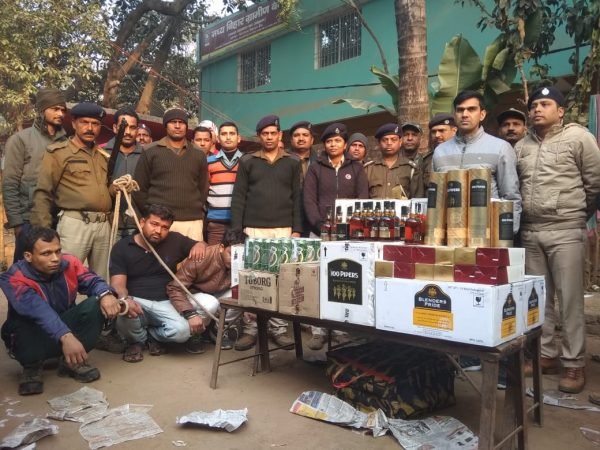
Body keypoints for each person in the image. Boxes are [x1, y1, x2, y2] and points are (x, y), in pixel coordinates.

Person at [517, 86, 600, 393]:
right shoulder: (521, 145)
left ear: (561, 111)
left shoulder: (579, 138)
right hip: (530, 230)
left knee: (570, 300)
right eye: (534, 105)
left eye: (545, 104)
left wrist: (575, 214)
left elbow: (594, 182)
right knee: (538, 299)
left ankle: (574, 363)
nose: (538, 109)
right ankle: (546, 354)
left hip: (566, 229)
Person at [0, 227, 121, 395]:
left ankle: (71, 362)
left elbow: (92, 280)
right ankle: (31, 367)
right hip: (33, 336)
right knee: (23, 322)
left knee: (96, 303)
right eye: (46, 253)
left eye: (58, 251)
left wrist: (106, 294)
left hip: (64, 331)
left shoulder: (69, 263)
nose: (55, 258)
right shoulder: (14, 277)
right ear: (28, 256)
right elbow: (39, 311)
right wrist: (66, 336)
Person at [230, 114, 302, 351]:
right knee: (254, 279)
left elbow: (297, 198)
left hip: (283, 229)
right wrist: (237, 230)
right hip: (254, 229)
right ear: (259, 136)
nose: (269, 137)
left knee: (282, 279)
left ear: (280, 135)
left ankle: (278, 328)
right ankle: (251, 329)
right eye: (265, 134)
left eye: (273, 133)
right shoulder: (248, 161)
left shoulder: (292, 162)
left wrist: (296, 230)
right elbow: (239, 197)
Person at [109, 204, 208, 362]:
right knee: (123, 308)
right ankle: (137, 341)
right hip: (137, 302)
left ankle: (151, 336)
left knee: (183, 332)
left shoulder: (174, 240)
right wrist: (125, 300)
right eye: (154, 224)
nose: (158, 231)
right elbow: (118, 284)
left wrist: (200, 246)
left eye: (164, 227)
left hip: (166, 302)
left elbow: (200, 245)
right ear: (142, 222)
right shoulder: (122, 247)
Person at [303, 123, 368, 350]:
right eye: (329, 141)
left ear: (345, 144)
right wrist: (319, 224)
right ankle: (318, 331)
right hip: (320, 232)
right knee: (319, 279)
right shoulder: (316, 168)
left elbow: (362, 199)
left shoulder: (356, 168)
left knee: (344, 279)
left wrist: (352, 227)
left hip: (347, 235)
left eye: (337, 141)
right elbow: (309, 200)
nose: (333, 144)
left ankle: (341, 329)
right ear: (325, 144)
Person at [31, 102, 113, 279]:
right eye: (84, 122)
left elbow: (104, 190)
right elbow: (43, 192)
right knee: (66, 276)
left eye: (95, 124)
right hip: (75, 224)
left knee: (103, 279)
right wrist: (43, 232)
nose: (90, 128)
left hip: (103, 225)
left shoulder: (102, 156)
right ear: (74, 124)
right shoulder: (58, 152)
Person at [433, 90, 522, 233]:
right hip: (448, 233)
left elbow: (510, 196)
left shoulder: (500, 148)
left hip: (487, 232)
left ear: (482, 114)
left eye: (471, 109)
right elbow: (436, 198)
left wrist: (508, 233)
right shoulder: (440, 151)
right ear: (454, 115)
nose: (465, 114)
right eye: (460, 110)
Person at [2, 88, 67, 262]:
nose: (60, 114)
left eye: (63, 110)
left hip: (59, 219)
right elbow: (10, 184)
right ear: (42, 110)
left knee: (54, 268)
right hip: (28, 219)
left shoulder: (67, 142)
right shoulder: (20, 140)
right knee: (25, 271)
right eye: (55, 109)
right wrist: (17, 223)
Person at [133, 107, 209, 241]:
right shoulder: (150, 151)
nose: (177, 126)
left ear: (186, 126)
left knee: (194, 255)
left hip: (191, 222)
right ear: (165, 125)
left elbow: (203, 188)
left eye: (181, 122)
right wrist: (153, 213)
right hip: (160, 223)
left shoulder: (198, 153)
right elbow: (139, 188)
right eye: (173, 122)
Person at [166, 228, 247, 352]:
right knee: (210, 303)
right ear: (221, 247)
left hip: (216, 294)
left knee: (242, 294)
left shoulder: (242, 261)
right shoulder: (202, 256)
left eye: (240, 256)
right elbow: (174, 288)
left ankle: (217, 330)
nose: (234, 260)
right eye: (231, 254)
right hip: (194, 295)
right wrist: (190, 313)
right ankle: (196, 335)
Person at [105, 106, 144, 239]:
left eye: (132, 128)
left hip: (138, 224)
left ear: (137, 130)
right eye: (124, 127)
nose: (127, 132)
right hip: (109, 224)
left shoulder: (147, 155)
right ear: (115, 128)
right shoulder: (102, 153)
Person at [205, 122, 244, 245]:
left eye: (232, 133)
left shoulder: (247, 161)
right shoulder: (208, 162)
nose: (228, 137)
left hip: (241, 223)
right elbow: (204, 189)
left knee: (239, 257)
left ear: (238, 138)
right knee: (214, 256)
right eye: (224, 134)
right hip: (216, 223)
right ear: (218, 138)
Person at [366, 123, 424, 199]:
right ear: (379, 143)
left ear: (400, 142)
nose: (389, 143)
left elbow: (417, 199)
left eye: (393, 140)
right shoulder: (368, 169)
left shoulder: (411, 169)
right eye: (385, 140)